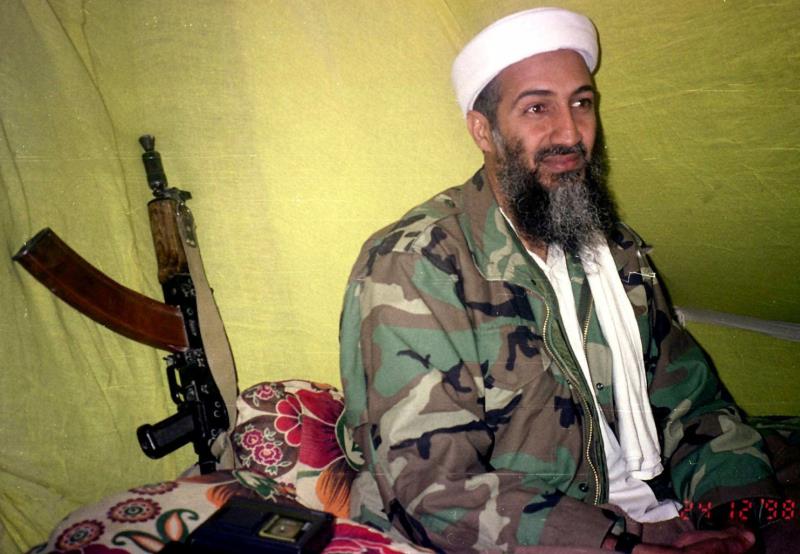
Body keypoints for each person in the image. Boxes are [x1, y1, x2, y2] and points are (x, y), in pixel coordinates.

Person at [339, 7, 792, 553]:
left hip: (668, 507)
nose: (571, 132)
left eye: (582, 103)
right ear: (484, 131)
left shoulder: (613, 247)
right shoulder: (416, 266)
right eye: (537, 108)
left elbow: (694, 405)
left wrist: (736, 519)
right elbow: (433, 489)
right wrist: (626, 547)